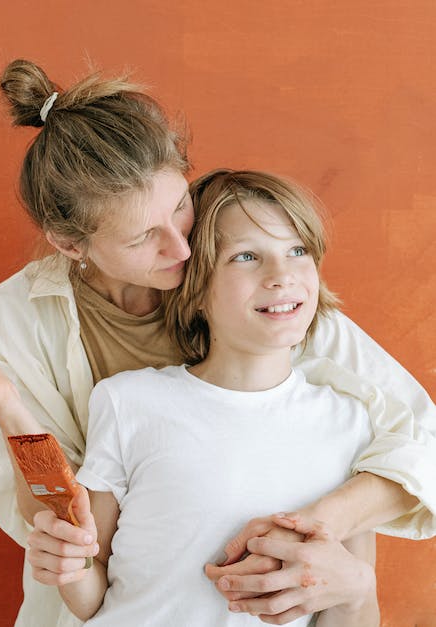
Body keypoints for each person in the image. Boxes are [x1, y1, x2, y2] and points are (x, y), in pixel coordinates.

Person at [0, 59, 436, 626]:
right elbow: (63, 537)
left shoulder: (263, 283)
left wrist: (323, 529)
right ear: (69, 243)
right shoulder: (10, 324)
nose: (184, 250)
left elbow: (419, 441)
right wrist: (8, 409)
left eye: (179, 205)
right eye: (142, 237)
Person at [27, 168, 388, 626]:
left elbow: (349, 610)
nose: (281, 275)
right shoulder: (127, 402)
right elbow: (92, 587)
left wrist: (357, 591)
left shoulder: (350, 423)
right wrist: (66, 563)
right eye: (246, 257)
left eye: (297, 250)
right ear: (196, 288)